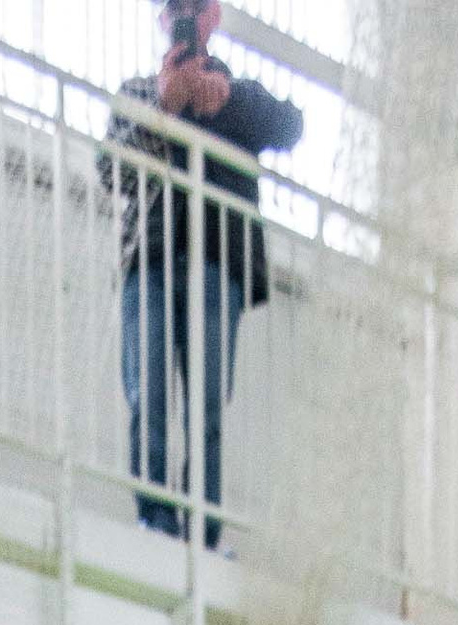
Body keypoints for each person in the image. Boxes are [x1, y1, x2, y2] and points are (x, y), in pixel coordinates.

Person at [107, 1, 302, 543]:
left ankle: (204, 534)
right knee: (147, 393)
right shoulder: (139, 93)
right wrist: (165, 107)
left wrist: (225, 100)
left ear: (212, 17)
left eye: (194, 6)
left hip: (218, 260)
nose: (184, 14)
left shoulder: (239, 93)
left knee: (207, 406)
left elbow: (290, 126)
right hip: (148, 257)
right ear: (162, 20)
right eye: (174, 7)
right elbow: (111, 170)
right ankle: (157, 521)